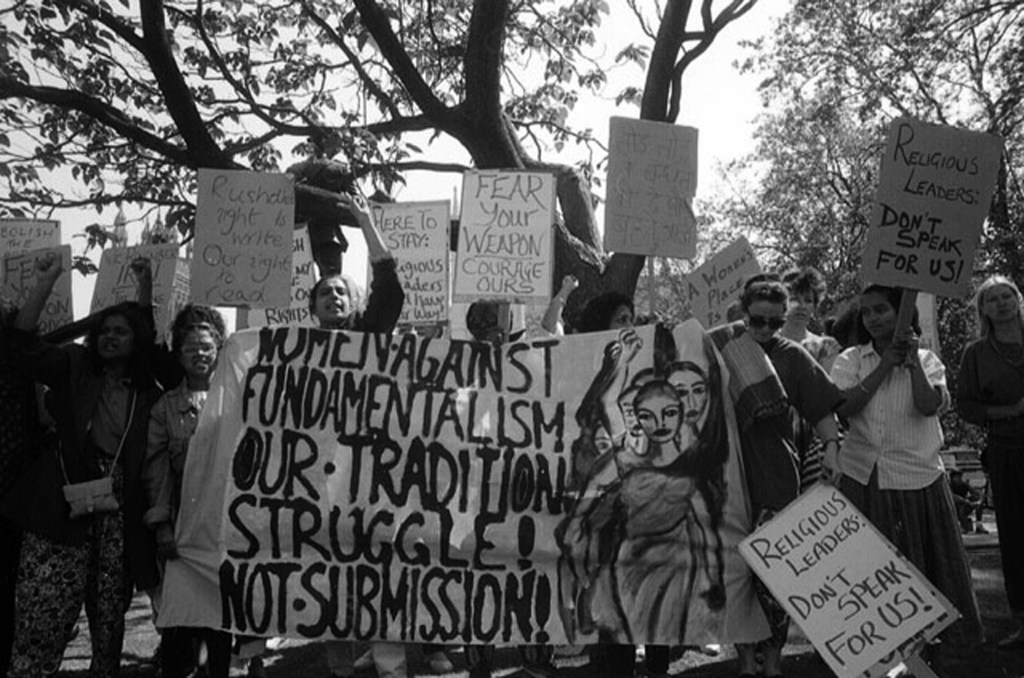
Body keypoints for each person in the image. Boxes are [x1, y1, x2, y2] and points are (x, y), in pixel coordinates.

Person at [4, 253, 162, 678]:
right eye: (104, 331)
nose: (110, 336)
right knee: (44, 607)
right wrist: (44, 283)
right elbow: (21, 347)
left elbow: (151, 334)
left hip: (117, 516)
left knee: (109, 614)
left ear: (137, 340)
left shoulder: (148, 388)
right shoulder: (74, 366)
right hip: (59, 510)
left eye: (121, 331)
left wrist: (144, 289)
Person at [832, 284, 983, 664]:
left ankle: (927, 650)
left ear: (902, 313)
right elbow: (846, 407)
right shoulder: (851, 359)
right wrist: (884, 365)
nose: (873, 318)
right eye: (867, 313)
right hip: (863, 474)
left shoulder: (929, 359)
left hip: (916, 478)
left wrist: (911, 361)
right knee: (870, 570)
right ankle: (872, 651)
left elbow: (929, 405)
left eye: (882, 310)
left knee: (924, 566)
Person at [711, 274, 842, 678]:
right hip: (730, 474)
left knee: (775, 573)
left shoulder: (794, 357)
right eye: (758, 320)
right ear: (744, 313)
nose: (766, 329)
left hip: (778, 475)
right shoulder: (722, 348)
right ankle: (746, 659)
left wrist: (832, 451)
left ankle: (772, 659)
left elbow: (822, 410)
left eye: (774, 321)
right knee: (737, 572)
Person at [313, 192, 407, 678]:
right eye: (324, 293)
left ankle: (391, 664)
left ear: (352, 303)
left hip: (372, 476)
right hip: (318, 480)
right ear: (314, 308)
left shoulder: (369, 337)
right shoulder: (297, 353)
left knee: (381, 568)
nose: (333, 297)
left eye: (341, 292)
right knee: (332, 576)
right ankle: (341, 666)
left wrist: (367, 225)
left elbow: (391, 293)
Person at [142, 305, 233, 678]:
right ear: (178, 355)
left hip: (225, 528)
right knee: (180, 623)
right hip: (182, 527)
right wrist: (162, 526)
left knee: (221, 621)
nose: (199, 354)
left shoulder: (237, 402)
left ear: (219, 352)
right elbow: (156, 471)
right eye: (191, 348)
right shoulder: (165, 409)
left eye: (207, 347)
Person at [955, 275, 1024, 649]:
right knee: (1015, 536)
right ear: (983, 309)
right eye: (992, 299)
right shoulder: (976, 353)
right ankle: (1021, 619)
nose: (1001, 303)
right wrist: (1008, 410)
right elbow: (966, 406)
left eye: (1007, 295)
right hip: (1007, 450)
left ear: (1018, 299)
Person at [780, 266, 844, 491]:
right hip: (777, 436)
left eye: (808, 300)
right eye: (794, 299)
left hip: (818, 436)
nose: (801, 306)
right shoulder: (764, 345)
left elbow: (827, 399)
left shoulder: (826, 346)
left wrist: (831, 446)